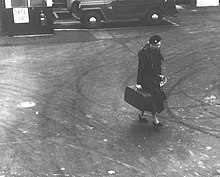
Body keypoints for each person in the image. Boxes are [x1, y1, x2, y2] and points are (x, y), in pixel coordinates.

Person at [136, 35, 166, 127]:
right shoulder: (144, 53)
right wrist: (139, 82)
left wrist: (159, 74)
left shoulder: (155, 50)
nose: (158, 47)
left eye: (159, 45)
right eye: (157, 45)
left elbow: (158, 64)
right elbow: (141, 68)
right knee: (153, 99)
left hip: (154, 78)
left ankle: (141, 115)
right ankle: (155, 120)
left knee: (147, 99)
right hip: (147, 79)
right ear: (151, 44)